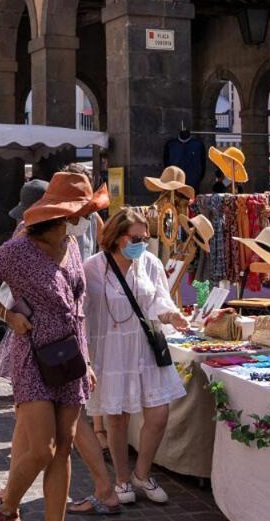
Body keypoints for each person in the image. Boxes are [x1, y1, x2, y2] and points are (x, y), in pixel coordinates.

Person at [0, 172, 100, 521]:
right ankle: (8, 506)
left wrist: (88, 361)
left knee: (64, 448)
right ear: (66, 215)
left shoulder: (69, 246)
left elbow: (77, 305)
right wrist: (5, 314)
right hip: (34, 354)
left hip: (71, 355)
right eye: (83, 213)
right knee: (42, 449)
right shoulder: (19, 248)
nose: (86, 220)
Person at [84, 207, 188, 505]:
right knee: (117, 418)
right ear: (117, 237)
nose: (142, 242)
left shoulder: (150, 263)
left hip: (144, 347)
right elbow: (83, 308)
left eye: (146, 236)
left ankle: (142, 473)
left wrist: (171, 315)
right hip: (112, 349)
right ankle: (121, 479)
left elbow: (159, 299)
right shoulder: (93, 267)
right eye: (136, 237)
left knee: (158, 414)